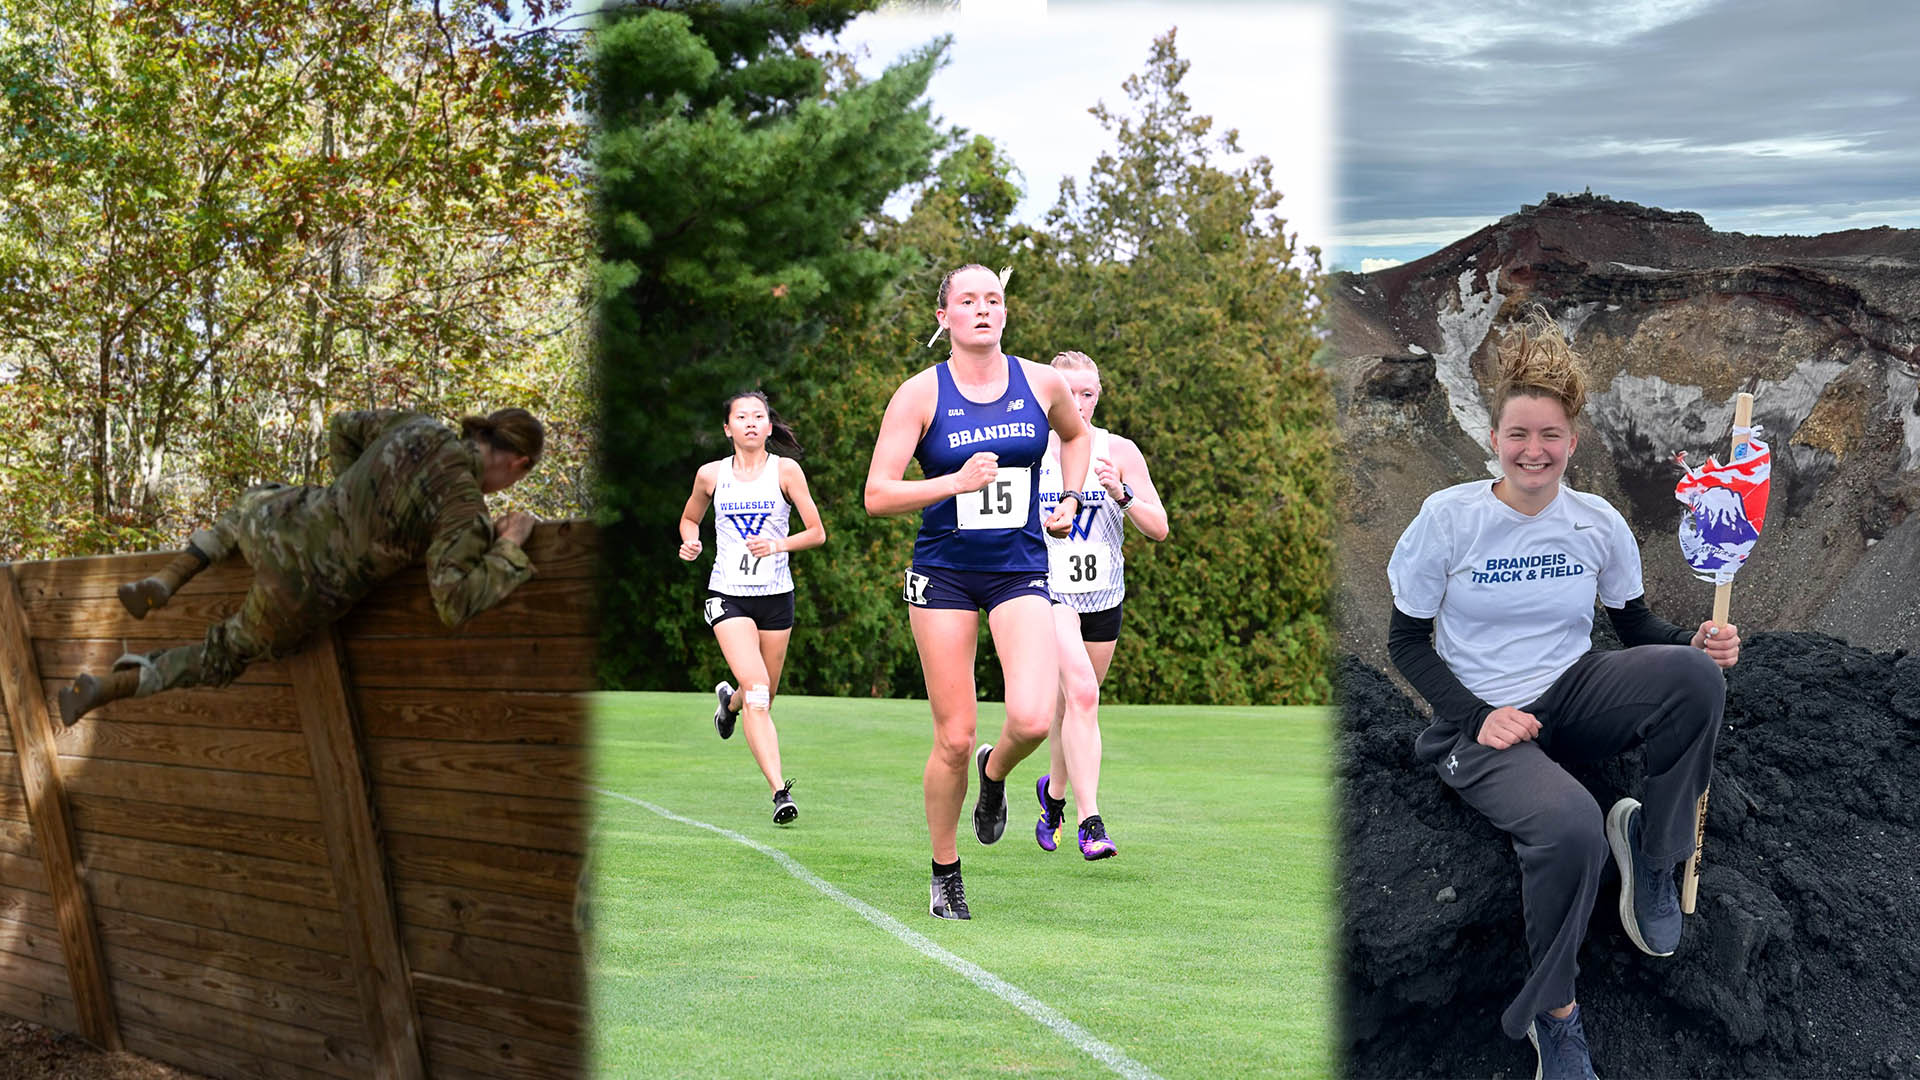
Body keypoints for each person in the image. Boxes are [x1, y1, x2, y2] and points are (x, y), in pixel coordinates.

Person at [1385, 313, 1740, 1080]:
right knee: (1572, 828)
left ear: (1572, 442)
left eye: (1550, 435)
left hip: (1572, 696)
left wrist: (1692, 643)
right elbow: (1405, 642)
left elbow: (1633, 622)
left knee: (1696, 679)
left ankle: (1654, 853)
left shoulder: (1596, 522)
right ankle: (1558, 1017)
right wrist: (1477, 716)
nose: (1534, 451)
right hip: (1478, 728)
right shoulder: (1448, 520)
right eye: (1519, 434)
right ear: (1494, 438)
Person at [58, 408, 545, 726]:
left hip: (286, 521)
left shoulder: (419, 427)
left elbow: (342, 427)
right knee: (223, 653)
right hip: (305, 591)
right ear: (517, 464)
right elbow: (453, 602)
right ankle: (109, 686)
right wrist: (509, 548)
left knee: (251, 501)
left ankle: (170, 578)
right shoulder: (466, 511)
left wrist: (349, 491)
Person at [864, 263, 1091, 920]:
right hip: (944, 575)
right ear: (945, 317)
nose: (984, 309)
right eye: (969, 300)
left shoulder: (1041, 383)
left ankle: (995, 777)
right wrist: (951, 483)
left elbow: (1074, 438)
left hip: (1020, 567)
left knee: (1028, 718)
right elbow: (877, 494)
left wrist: (1070, 498)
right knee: (954, 736)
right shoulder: (919, 395)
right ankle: (945, 871)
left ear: (1005, 312)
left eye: (994, 299)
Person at [1032, 351, 1168, 860]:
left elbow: (1159, 527)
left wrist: (1122, 492)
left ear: (1099, 393)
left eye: (1088, 393)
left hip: (1104, 596)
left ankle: (1054, 798)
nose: (1079, 402)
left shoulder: (1119, 450)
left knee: (1073, 707)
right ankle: (1092, 824)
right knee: (1084, 697)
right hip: (1049, 592)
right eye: (1069, 392)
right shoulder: (1029, 449)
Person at [677, 390, 826, 825]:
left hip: (777, 597)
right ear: (727, 428)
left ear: (767, 426)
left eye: (758, 416)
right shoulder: (711, 475)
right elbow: (690, 518)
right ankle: (780, 792)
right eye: (741, 417)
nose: (750, 423)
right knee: (758, 689)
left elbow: (816, 532)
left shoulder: (786, 471)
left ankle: (729, 703)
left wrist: (777, 544)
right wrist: (690, 540)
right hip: (728, 594)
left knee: (762, 695)